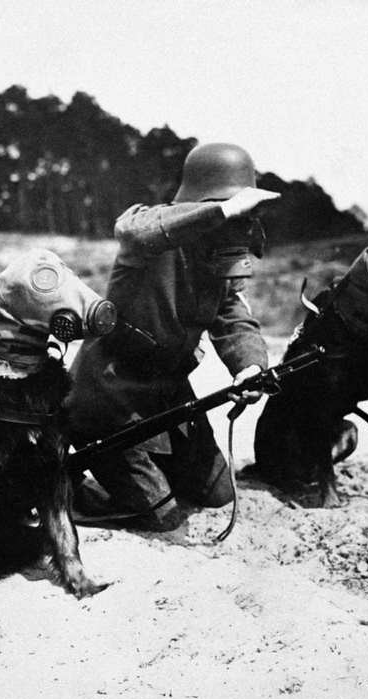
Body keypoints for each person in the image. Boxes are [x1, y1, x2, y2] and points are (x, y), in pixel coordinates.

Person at [65, 142, 278, 530]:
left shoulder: (220, 260)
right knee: (160, 516)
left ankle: (148, 467)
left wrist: (250, 367)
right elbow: (133, 228)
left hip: (170, 399)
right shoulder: (151, 240)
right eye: (230, 212)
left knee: (217, 494)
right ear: (201, 206)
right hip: (110, 403)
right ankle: (68, 495)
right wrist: (221, 211)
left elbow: (234, 320)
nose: (237, 226)